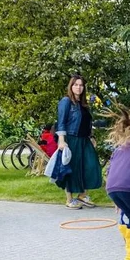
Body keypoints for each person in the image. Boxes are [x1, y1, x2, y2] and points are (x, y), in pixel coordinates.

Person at [55, 75, 103, 209]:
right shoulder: (66, 101)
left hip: (84, 139)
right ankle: (69, 199)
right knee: (71, 168)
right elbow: (61, 122)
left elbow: (87, 123)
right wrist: (61, 140)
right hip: (71, 138)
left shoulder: (84, 104)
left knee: (91, 165)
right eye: (76, 85)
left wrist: (91, 137)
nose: (78, 87)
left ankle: (82, 195)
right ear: (71, 86)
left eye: (81, 85)